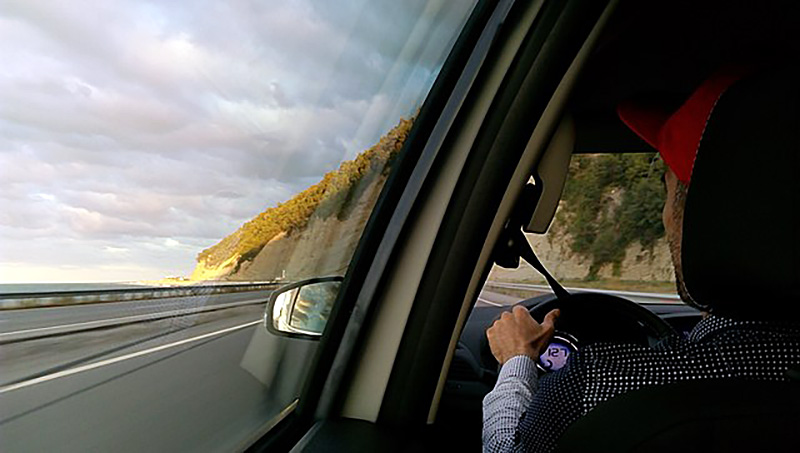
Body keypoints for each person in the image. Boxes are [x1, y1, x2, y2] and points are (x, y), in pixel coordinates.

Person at [482, 68, 800, 452]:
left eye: (667, 186)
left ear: (708, 218)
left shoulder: (597, 385)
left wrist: (516, 363)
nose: (665, 214)